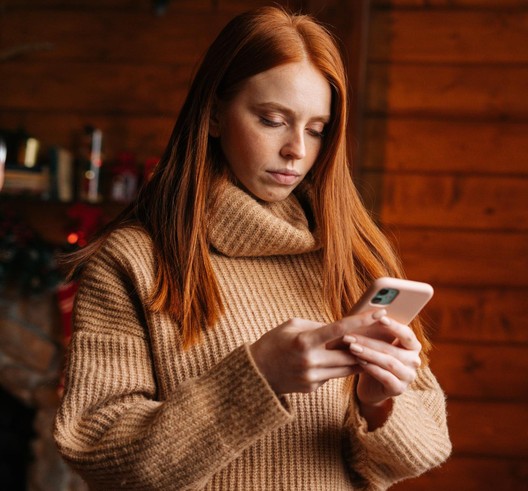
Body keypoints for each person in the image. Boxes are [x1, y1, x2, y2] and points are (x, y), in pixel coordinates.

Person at [53, 6, 451, 490]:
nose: (297, 151)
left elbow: (428, 445)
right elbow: (98, 454)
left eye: (316, 129)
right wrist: (257, 377)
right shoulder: (133, 262)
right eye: (272, 120)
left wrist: (378, 402)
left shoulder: (354, 255)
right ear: (216, 114)